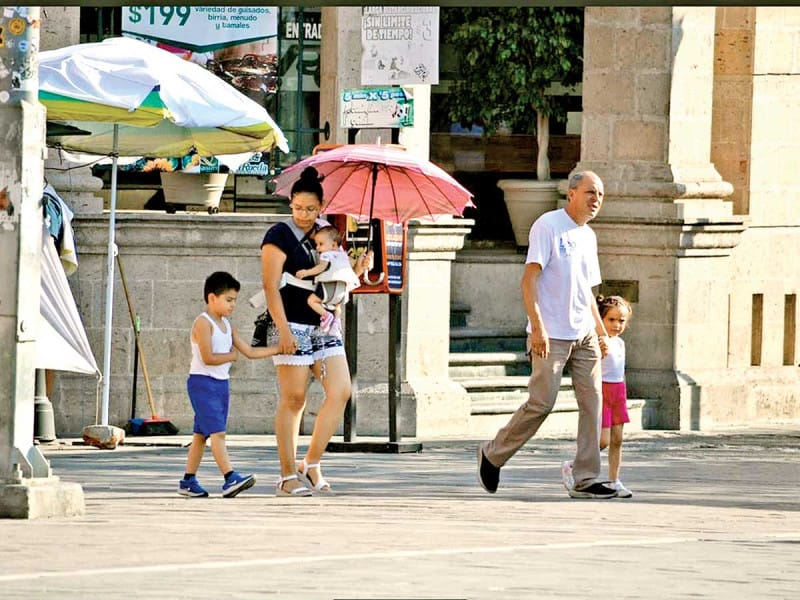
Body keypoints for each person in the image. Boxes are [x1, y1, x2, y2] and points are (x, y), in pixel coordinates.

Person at [476, 170, 618, 499]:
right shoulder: (548, 225)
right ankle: (493, 454)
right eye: (590, 192)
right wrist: (537, 327)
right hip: (551, 334)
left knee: (593, 404)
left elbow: (587, 290)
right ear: (571, 193)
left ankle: (585, 478)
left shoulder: (588, 235)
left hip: (584, 334)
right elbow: (529, 280)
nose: (596, 200)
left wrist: (600, 332)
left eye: (600, 194)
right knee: (542, 403)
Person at [260, 166, 372, 497]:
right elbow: (270, 286)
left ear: (321, 206)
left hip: (324, 324)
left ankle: (310, 461)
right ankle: (286, 475)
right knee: (294, 398)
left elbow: (337, 278)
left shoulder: (327, 233)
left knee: (340, 391)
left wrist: (358, 268)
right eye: (298, 207)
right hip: (290, 321)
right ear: (290, 203)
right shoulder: (279, 234)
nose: (304, 215)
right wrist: (283, 331)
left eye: (311, 209)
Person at [179, 271, 278, 498]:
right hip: (203, 384)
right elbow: (208, 357)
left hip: (221, 385)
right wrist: (231, 356)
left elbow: (249, 351)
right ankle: (230, 477)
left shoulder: (227, 325)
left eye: (235, 300)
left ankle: (188, 481)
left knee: (200, 435)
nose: (233, 305)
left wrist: (278, 349)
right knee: (218, 433)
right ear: (212, 298)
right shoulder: (203, 323)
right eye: (229, 300)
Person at [597, 295, 633, 498]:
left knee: (617, 439)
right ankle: (576, 465)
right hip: (602, 391)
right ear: (601, 319)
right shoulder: (599, 342)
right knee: (603, 440)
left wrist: (623, 395)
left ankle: (614, 480)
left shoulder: (620, 343)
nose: (617, 325)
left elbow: (621, 371)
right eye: (611, 319)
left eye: (621, 320)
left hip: (618, 392)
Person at [295, 224, 361, 337]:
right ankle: (336, 323)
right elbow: (351, 266)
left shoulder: (326, 255)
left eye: (320, 244)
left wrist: (306, 272)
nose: (317, 248)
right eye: (316, 244)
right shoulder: (344, 256)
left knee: (312, 301)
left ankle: (326, 315)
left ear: (334, 245)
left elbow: (321, 268)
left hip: (329, 287)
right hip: (342, 292)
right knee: (337, 307)